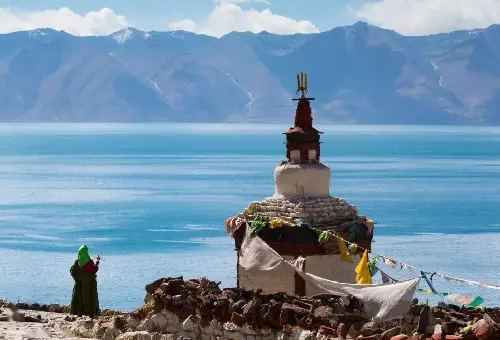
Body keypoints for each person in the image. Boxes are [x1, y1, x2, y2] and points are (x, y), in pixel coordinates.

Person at [70, 245, 100, 318]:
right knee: (90, 298)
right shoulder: (90, 262)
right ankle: (90, 314)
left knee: (79, 298)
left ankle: (79, 314)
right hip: (89, 284)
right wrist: (97, 261)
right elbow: (94, 270)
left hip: (79, 285)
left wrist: (78, 279)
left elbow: (72, 271)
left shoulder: (77, 262)